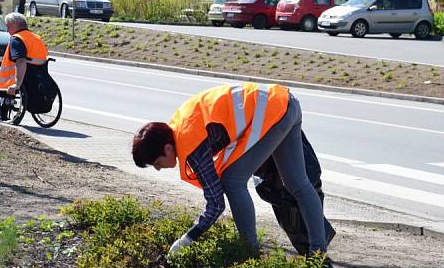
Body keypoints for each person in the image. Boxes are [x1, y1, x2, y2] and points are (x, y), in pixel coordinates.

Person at [131, 83, 328, 257]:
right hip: (285, 102)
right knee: (299, 184)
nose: (157, 169)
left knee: (233, 181)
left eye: (156, 162)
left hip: (273, 114)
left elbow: (216, 205)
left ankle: (250, 252)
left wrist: (188, 238)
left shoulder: (191, 144)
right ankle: (318, 254)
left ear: (166, 148)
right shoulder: (181, 124)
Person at [0, 12, 48, 117]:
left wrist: (17, 84)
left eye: (8, 27)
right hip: (36, 76)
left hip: (16, 77)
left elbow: (21, 62)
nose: (7, 30)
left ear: (14, 25)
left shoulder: (17, 39)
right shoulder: (36, 38)